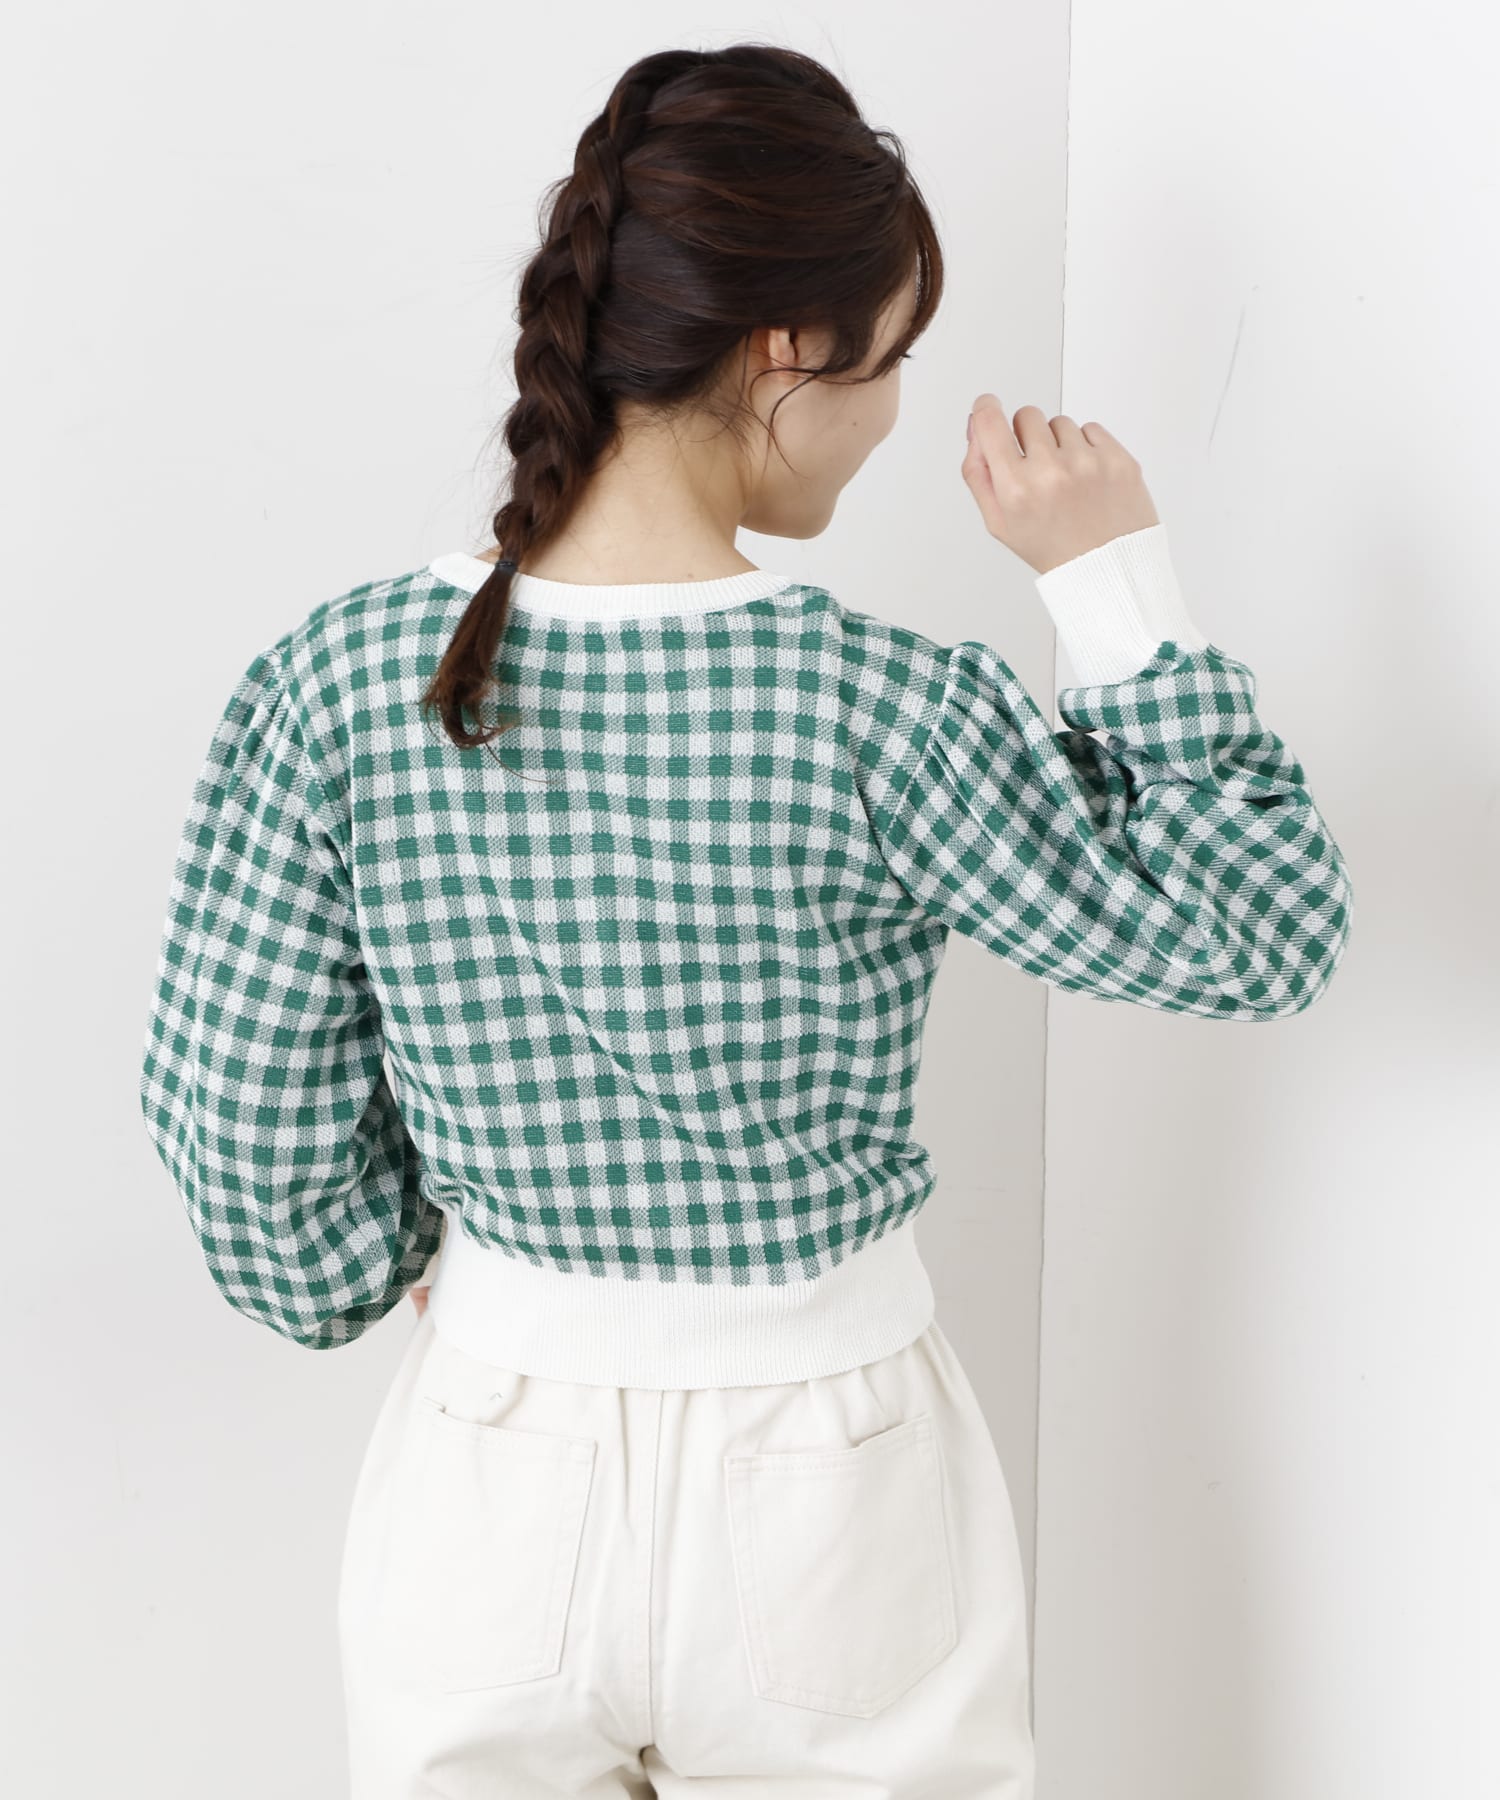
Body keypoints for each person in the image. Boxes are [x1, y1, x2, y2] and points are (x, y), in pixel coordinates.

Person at [137, 41, 1353, 1800]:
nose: (895, 408)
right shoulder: (883, 706)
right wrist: (1113, 586)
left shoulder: (340, 680)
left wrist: (458, 1289)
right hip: (833, 1485)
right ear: (788, 349)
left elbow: (252, 1147)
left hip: (489, 1474)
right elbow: (1258, 933)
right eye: (893, 358)